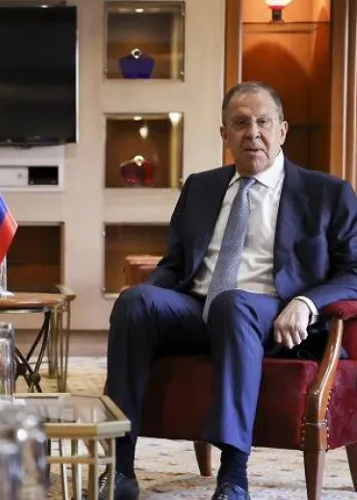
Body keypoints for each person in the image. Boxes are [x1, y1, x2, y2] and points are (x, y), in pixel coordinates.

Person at [100, 81, 357, 500]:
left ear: (282, 130)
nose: (252, 133)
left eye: (263, 122)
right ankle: (121, 467)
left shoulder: (327, 193)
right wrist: (152, 302)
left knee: (233, 304)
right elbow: (174, 265)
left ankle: (234, 476)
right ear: (224, 134)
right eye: (240, 123)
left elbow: (354, 271)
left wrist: (307, 302)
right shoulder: (200, 187)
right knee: (135, 301)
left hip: (271, 317)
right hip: (198, 309)